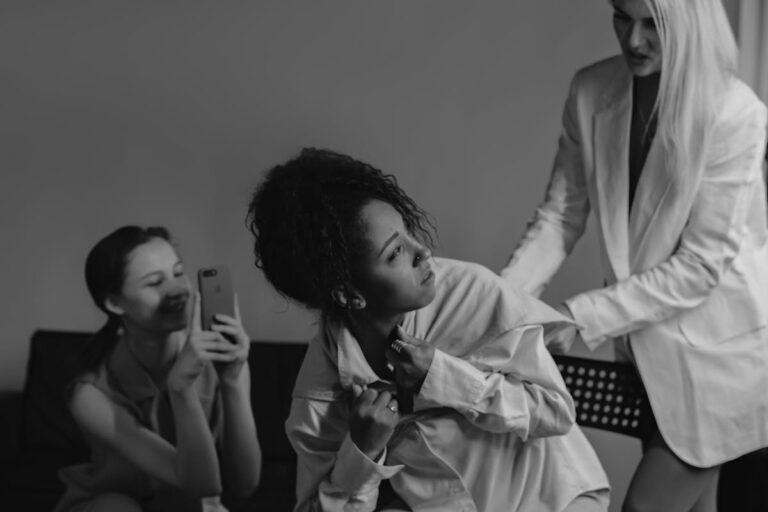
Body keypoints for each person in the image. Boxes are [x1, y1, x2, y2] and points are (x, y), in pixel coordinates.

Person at [500, 1, 768, 511]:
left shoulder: (736, 113)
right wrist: (501, 305)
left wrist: (572, 317)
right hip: (647, 353)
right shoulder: (590, 90)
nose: (633, 39)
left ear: (690, 21)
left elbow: (699, 268)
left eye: (653, 24)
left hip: (720, 358)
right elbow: (560, 217)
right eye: (622, 16)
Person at [246, 148, 609, 512]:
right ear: (349, 295)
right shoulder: (320, 398)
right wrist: (361, 451)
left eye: (408, 233)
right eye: (394, 254)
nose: (423, 251)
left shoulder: (471, 294)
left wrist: (445, 377)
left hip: (556, 495)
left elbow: (557, 411)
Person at [54, 226, 262, 512]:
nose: (177, 290)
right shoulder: (89, 393)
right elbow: (198, 484)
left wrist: (234, 381)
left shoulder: (217, 357)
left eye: (178, 273)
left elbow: (244, 484)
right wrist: (181, 388)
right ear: (114, 303)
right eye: (154, 283)